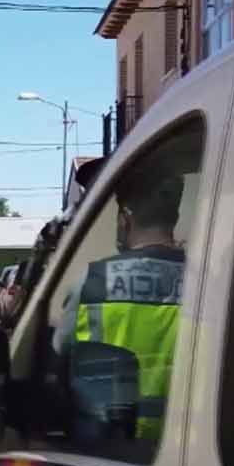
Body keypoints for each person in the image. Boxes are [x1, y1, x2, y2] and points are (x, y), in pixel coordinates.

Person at [55, 172, 186, 441]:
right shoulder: (208, 282)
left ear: (125, 219)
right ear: (174, 218)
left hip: (111, 451)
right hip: (184, 447)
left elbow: (59, 358)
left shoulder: (90, 282)